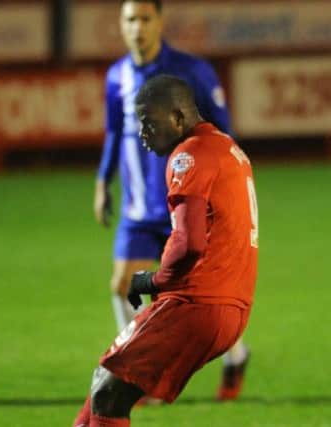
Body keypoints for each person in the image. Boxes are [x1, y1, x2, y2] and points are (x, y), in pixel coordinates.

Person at [74, 74, 258, 427]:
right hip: (232, 308)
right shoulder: (228, 149)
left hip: (196, 304)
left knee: (107, 390)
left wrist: (153, 281)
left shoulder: (187, 156)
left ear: (177, 117)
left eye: (148, 122)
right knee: (109, 386)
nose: (142, 133)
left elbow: (188, 244)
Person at [94, 0, 249, 401]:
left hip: (191, 199)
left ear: (160, 21)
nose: (138, 27)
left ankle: (235, 355)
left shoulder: (192, 71)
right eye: (130, 19)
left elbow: (223, 130)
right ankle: (138, 372)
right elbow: (113, 133)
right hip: (139, 207)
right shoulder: (117, 77)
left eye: (145, 19)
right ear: (121, 25)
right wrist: (101, 182)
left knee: (194, 296)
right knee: (121, 284)